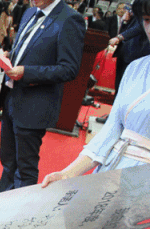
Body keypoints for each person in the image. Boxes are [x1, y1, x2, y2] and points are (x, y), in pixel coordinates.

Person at [41, 0, 150, 187]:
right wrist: (68, 173)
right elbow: (112, 129)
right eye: (147, 20)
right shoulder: (135, 68)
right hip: (112, 171)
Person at [0, 0, 85, 193]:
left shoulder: (70, 19)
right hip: (11, 96)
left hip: (34, 104)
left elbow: (68, 69)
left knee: (24, 168)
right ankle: (1, 202)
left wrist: (27, 73)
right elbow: (26, 49)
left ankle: (20, 208)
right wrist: (9, 56)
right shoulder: (30, 13)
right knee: (8, 160)